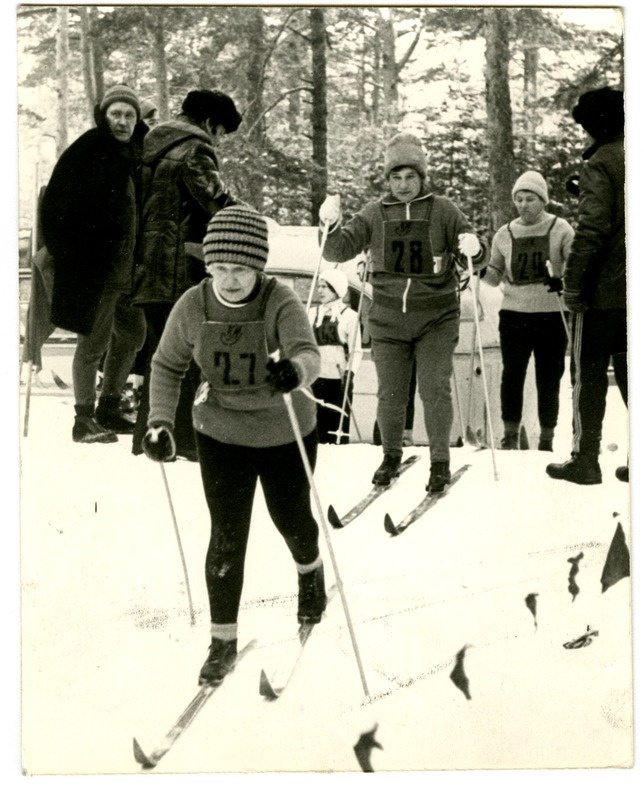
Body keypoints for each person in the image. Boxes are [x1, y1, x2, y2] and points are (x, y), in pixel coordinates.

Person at [142, 206, 327, 685]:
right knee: (226, 534)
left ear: (259, 267)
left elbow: (309, 352)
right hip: (222, 431)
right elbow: (166, 366)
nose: (229, 280)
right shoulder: (193, 306)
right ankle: (221, 640)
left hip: (285, 430)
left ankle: (310, 571)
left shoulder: (279, 301)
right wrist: (160, 422)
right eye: (219, 268)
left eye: (240, 270)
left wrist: (296, 370)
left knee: (291, 517)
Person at [319, 132, 488, 493]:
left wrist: (476, 247)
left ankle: (440, 461)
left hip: (435, 318)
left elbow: (472, 253)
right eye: (396, 177)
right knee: (390, 393)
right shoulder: (374, 213)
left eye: (410, 177)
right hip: (388, 318)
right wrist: (330, 224)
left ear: (422, 177)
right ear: (388, 179)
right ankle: (390, 455)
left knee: (433, 388)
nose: (403, 185)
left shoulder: (443, 210)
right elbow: (337, 250)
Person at [131, 89, 242, 460]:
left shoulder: (151, 148)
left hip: (148, 269)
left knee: (159, 356)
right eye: (221, 131)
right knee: (190, 353)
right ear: (209, 122)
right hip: (180, 269)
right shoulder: (194, 149)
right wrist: (250, 220)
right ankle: (188, 443)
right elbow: (215, 199)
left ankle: (147, 439)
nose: (218, 140)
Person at [40, 84, 148, 443]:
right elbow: (54, 204)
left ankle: (110, 407)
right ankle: (83, 418)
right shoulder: (87, 151)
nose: (122, 121)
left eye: (129, 115)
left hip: (128, 268)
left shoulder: (136, 152)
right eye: (115, 114)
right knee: (93, 341)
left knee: (133, 334)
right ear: (104, 116)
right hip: (95, 268)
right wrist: (69, 253)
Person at [546, 87, 627, 485]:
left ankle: (585, 458)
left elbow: (594, 229)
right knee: (633, 374)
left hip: (603, 293)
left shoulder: (601, 163)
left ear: (595, 125)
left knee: (587, 374)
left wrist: (573, 284)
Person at [482, 170, 575, 451]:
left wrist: (563, 278)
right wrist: (476, 272)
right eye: (519, 199)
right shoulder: (505, 233)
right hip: (515, 313)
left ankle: (546, 436)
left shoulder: (561, 229)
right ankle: (510, 433)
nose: (524, 205)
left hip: (551, 313)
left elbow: (576, 266)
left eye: (530, 199)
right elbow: (495, 273)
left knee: (549, 376)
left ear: (543, 200)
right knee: (513, 374)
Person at [308, 268, 363, 443]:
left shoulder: (350, 316)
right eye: (319, 286)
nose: (320, 291)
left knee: (336, 432)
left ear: (336, 289)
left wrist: (350, 374)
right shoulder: (311, 313)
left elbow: (356, 350)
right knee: (315, 432)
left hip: (339, 382)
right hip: (315, 380)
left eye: (325, 287)